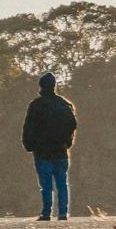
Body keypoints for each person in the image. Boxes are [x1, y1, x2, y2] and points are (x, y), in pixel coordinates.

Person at [22, 71, 76, 219]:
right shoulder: (65, 105)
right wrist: (67, 143)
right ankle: (63, 213)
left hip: (42, 152)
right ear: (54, 86)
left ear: (41, 86)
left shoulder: (36, 105)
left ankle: (46, 212)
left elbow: (28, 128)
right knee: (62, 183)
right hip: (61, 151)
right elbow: (72, 125)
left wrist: (29, 144)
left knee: (46, 185)